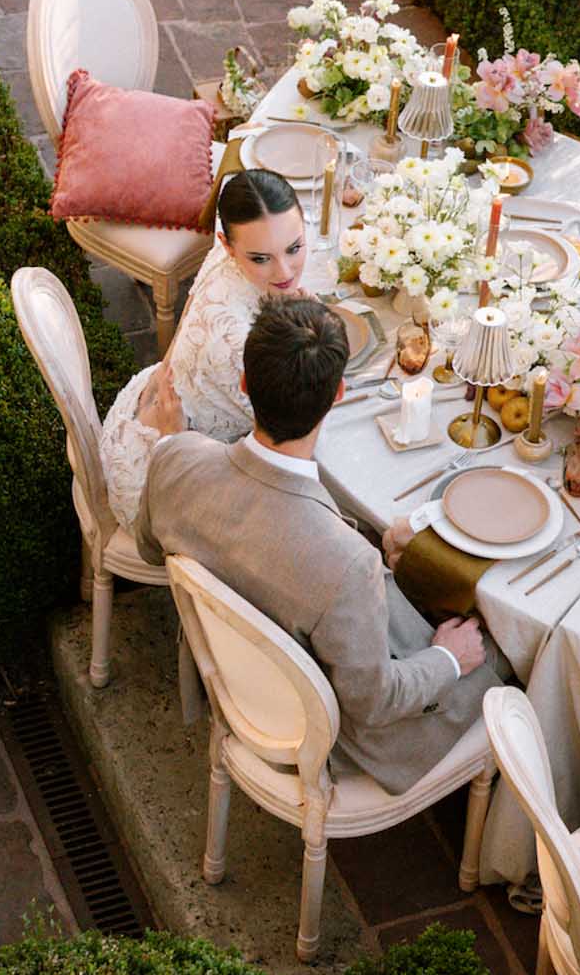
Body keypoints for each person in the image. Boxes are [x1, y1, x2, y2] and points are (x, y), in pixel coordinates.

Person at [136, 296, 502, 794]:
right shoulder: (347, 564)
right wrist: (449, 659)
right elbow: (374, 702)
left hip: (243, 674)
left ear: (245, 384)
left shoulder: (174, 458)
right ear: (338, 396)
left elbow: (148, 548)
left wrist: (177, 443)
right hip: (334, 733)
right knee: (509, 657)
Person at [100, 168, 306, 532]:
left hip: (149, 415)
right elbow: (292, 438)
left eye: (294, 247)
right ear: (227, 245)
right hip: (159, 492)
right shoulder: (234, 346)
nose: (285, 270)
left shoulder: (229, 249)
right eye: (261, 258)